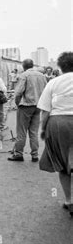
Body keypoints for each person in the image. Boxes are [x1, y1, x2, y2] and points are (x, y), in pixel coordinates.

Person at [37, 52, 73, 216]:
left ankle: (69, 201)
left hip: (58, 124)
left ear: (60, 66)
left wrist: (43, 130)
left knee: (64, 163)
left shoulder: (53, 82)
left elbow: (45, 111)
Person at [8, 59, 47, 162]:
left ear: (24, 66)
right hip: (37, 106)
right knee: (34, 131)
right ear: (32, 65)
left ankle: (19, 154)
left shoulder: (24, 75)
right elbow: (45, 91)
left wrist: (17, 103)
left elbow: (18, 92)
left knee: (21, 131)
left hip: (25, 106)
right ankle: (35, 155)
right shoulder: (42, 76)